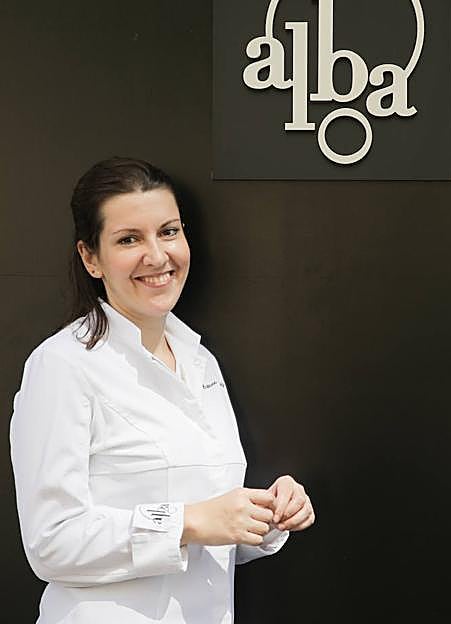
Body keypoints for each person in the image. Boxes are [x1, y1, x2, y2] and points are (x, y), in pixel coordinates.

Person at [9, 157, 315, 623]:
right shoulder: (62, 366)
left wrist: (266, 516)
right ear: (91, 258)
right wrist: (189, 522)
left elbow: (210, 535)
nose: (157, 256)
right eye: (129, 239)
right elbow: (51, 542)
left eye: (168, 232)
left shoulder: (200, 360)